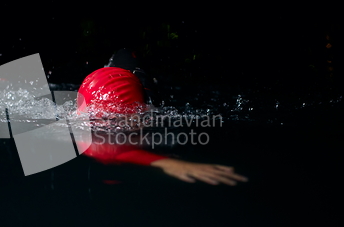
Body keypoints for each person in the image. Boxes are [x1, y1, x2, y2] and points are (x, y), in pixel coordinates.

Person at [77, 54, 247, 186]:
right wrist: (169, 163)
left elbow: (108, 150)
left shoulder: (150, 106)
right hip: (94, 84)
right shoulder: (89, 130)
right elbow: (105, 151)